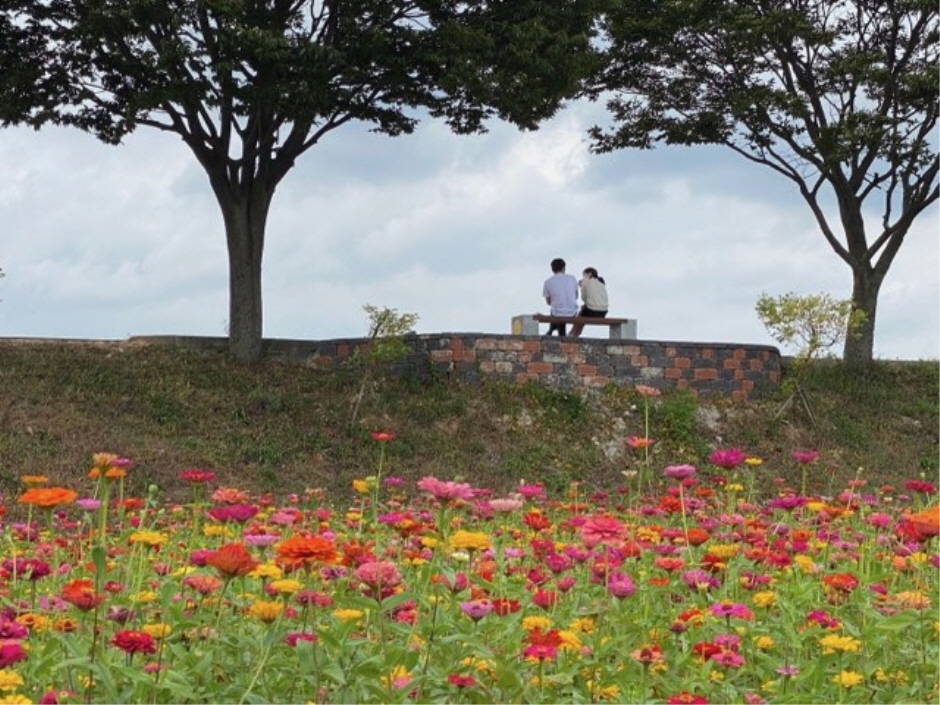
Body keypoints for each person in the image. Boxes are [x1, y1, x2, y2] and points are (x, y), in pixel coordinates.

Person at [542, 258, 579, 336]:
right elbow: (576, 296)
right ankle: (554, 331)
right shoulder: (572, 278)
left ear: (552, 269)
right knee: (562, 313)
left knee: (557, 311)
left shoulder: (548, 282)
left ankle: (553, 331)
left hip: (556, 313)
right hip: (572, 312)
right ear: (564, 268)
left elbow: (548, 302)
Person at [569, 267, 608, 338]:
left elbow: (583, 298)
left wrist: (582, 286)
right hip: (603, 312)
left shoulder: (585, 281)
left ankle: (573, 334)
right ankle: (574, 334)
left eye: (584, 275)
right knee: (583, 312)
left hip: (592, 311)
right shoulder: (601, 284)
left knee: (581, 314)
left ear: (589, 274)